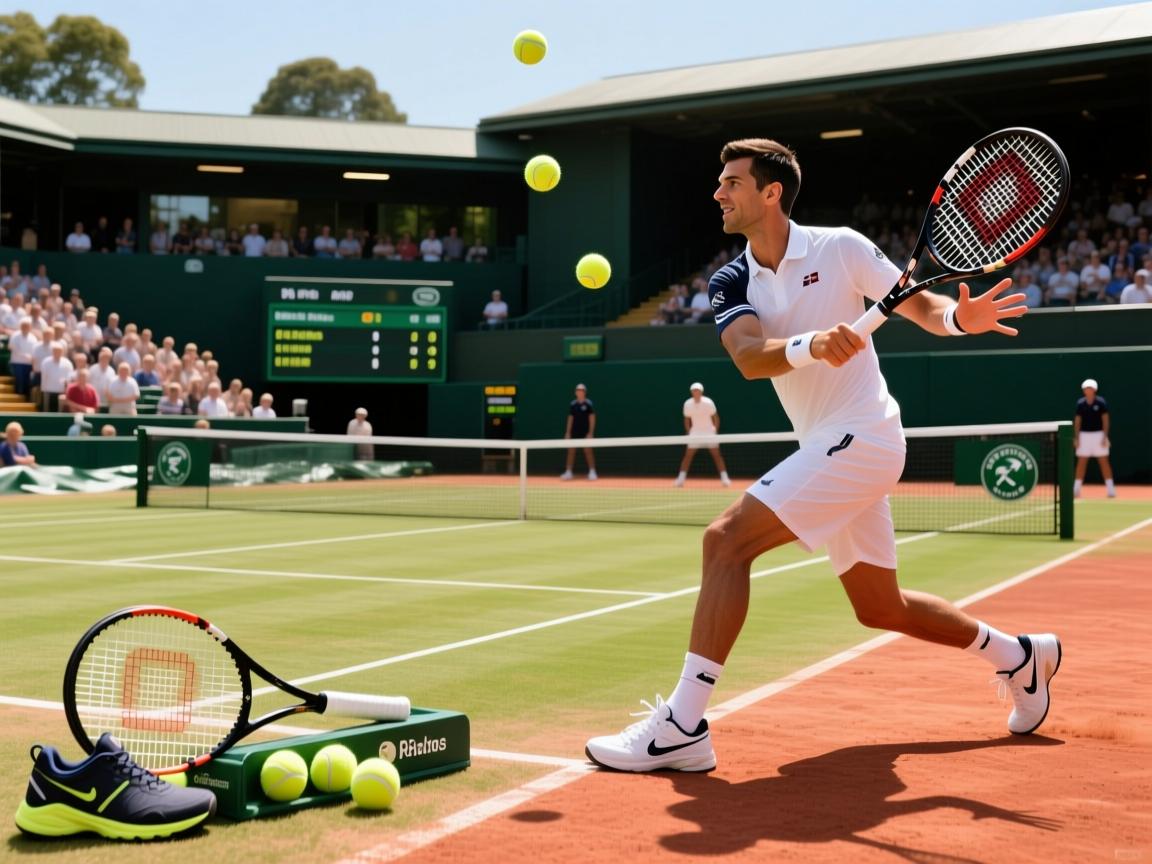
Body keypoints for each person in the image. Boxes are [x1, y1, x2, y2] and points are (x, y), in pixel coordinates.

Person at [585, 137, 1057, 774]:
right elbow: (751, 358)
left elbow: (921, 303)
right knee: (879, 607)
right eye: (720, 183)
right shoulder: (730, 279)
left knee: (724, 541)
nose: (718, 193)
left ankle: (683, 724)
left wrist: (955, 321)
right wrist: (811, 344)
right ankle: (1020, 656)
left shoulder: (841, 248)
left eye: (732, 183)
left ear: (771, 192)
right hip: (828, 444)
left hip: (865, 434)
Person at [674, 383, 731, 487]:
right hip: (695, 432)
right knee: (688, 456)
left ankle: (725, 479)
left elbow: (716, 417)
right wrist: (688, 432)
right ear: (691, 392)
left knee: (717, 456)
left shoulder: (708, 402)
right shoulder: (687, 404)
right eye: (694, 390)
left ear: (701, 391)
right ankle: (680, 480)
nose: (696, 392)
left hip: (709, 431)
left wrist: (714, 430)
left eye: (697, 390)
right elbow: (687, 419)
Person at [1073, 378, 1115, 499]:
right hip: (1084, 436)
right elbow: (1077, 421)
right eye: (1086, 388)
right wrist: (1077, 438)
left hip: (1099, 435)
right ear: (1083, 390)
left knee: (1104, 462)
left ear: (1094, 390)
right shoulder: (1080, 403)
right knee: (1081, 462)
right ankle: (1076, 490)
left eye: (1090, 388)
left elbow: (1105, 420)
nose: (1088, 390)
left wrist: (1105, 436)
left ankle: (1111, 490)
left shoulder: (1101, 402)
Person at [560, 384, 597, 481]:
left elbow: (592, 418)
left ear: (584, 392)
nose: (580, 391)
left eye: (581, 390)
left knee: (588, 451)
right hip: (574, 432)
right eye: (578, 390)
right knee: (571, 451)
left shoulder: (589, 403)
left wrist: (590, 432)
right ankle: (568, 472)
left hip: (585, 432)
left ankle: (592, 472)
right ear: (576, 392)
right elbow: (570, 418)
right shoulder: (573, 404)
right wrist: (567, 432)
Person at [39, 342, 74, 412]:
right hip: (48, 391)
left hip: (62, 393)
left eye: (59, 351)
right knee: (47, 411)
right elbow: (44, 376)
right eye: (55, 351)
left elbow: (70, 378)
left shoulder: (68, 363)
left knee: (60, 412)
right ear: (52, 351)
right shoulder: (46, 362)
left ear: (62, 352)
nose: (57, 353)